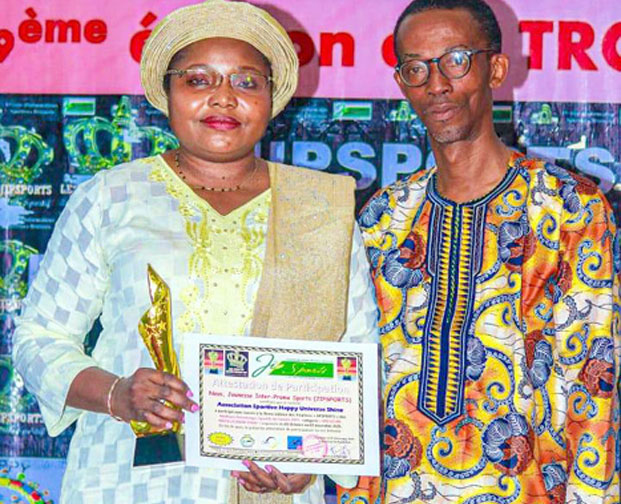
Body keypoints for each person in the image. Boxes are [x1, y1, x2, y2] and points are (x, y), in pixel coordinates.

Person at [12, 1, 379, 502]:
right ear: (168, 93)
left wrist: (314, 459)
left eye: (246, 82)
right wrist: (117, 393)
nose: (223, 98)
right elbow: (39, 338)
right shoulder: (111, 197)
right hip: (127, 480)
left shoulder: (319, 205)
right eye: (199, 80)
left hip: (269, 481)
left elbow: (360, 351)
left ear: (271, 97)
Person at [339, 0, 621, 503]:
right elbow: (353, 378)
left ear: (495, 68)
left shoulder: (568, 208)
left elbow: (592, 391)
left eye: (455, 61)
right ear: (402, 83)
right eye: (416, 68)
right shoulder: (382, 218)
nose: (436, 84)